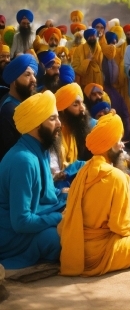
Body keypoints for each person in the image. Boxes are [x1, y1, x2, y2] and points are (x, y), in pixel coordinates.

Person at [59, 112, 130, 276]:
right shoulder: (117, 177)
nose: (122, 145)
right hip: (99, 253)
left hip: (75, 247)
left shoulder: (85, 170)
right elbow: (120, 227)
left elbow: (98, 208)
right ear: (108, 145)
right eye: (118, 140)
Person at [0, 91, 67, 269]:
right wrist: (59, 218)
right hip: (10, 235)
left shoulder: (40, 150)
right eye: (52, 119)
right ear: (36, 125)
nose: (59, 124)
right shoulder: (23, 160)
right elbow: (21, 222)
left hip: (33, 220)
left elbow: (48, 196)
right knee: (57, 239)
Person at [0, 55, 38, 160]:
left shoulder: (22, 103)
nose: (34, 79)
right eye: (27, 75)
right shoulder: (10, 110)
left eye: (34, 74)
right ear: (14, 80)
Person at [55, 83, 93, 163]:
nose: (82, 108)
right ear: (63, 110)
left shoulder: (73, 128)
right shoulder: (56, 134)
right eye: (76, 105)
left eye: (82, 103)